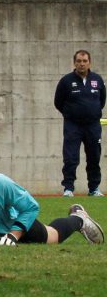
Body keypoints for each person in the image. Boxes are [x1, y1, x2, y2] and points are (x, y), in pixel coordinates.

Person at [0, 138, 104, 246]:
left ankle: (78, 219)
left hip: (11, 222)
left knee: (52, 237)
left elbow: (31, 207)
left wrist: (12, 236)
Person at [54, 49, 106, 197]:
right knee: (70, 158)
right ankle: (68, 189)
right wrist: (71, 114)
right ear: (74, 63)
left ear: (89, 62)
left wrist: (91, 112)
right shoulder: (66, 81)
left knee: (94, 157)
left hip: (93, 126)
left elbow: (102, 101)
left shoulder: (97, 80)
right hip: (73, 126)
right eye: (79, 61)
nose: (81, 64)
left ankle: (94, 188)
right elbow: (58, 102)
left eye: (84, 61)